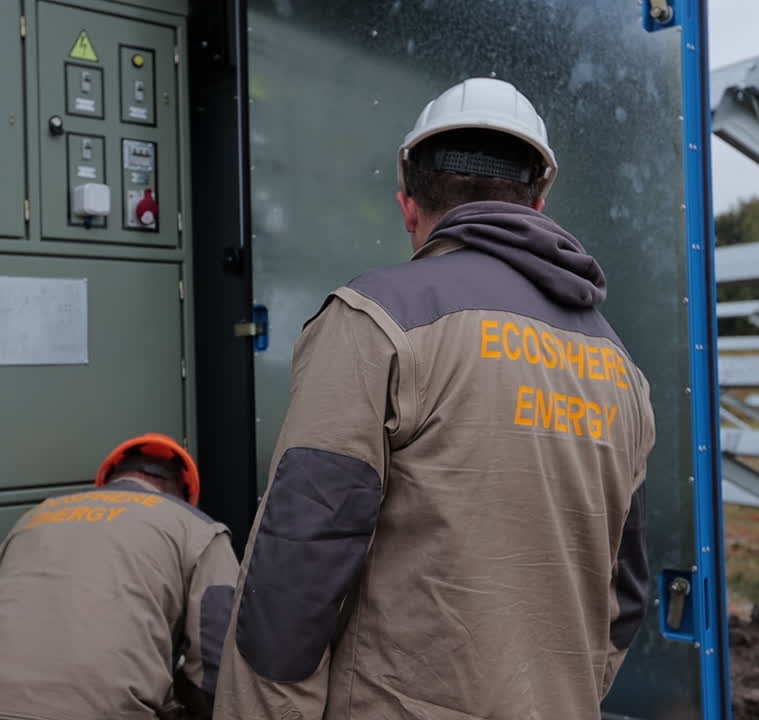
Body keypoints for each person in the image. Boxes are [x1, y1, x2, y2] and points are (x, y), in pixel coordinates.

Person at [213, 78, 657, 719]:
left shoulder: (376, 319)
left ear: (408, 207)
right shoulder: (620, 368)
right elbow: (626, 592)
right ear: (539, 203)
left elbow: (296, 572)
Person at [0, 433, 240, 720]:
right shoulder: (197, 529)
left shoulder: (35, 516)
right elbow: (219, 663)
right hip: (101, 710)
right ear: (182, 495)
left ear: (108, 479)